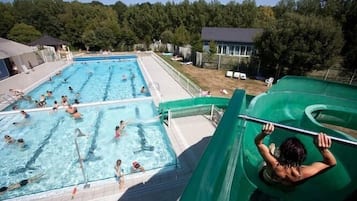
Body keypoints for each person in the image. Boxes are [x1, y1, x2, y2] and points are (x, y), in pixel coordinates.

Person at [255, 123, 336, 186]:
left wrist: (264, 134)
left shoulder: (273, 163)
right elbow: (331, 163)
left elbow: (258, 143)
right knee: (287, 187)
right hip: (289, 184)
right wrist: (322, 149)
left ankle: (274, 151)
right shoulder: (302, 174)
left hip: (268, 178)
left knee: (271, 149)